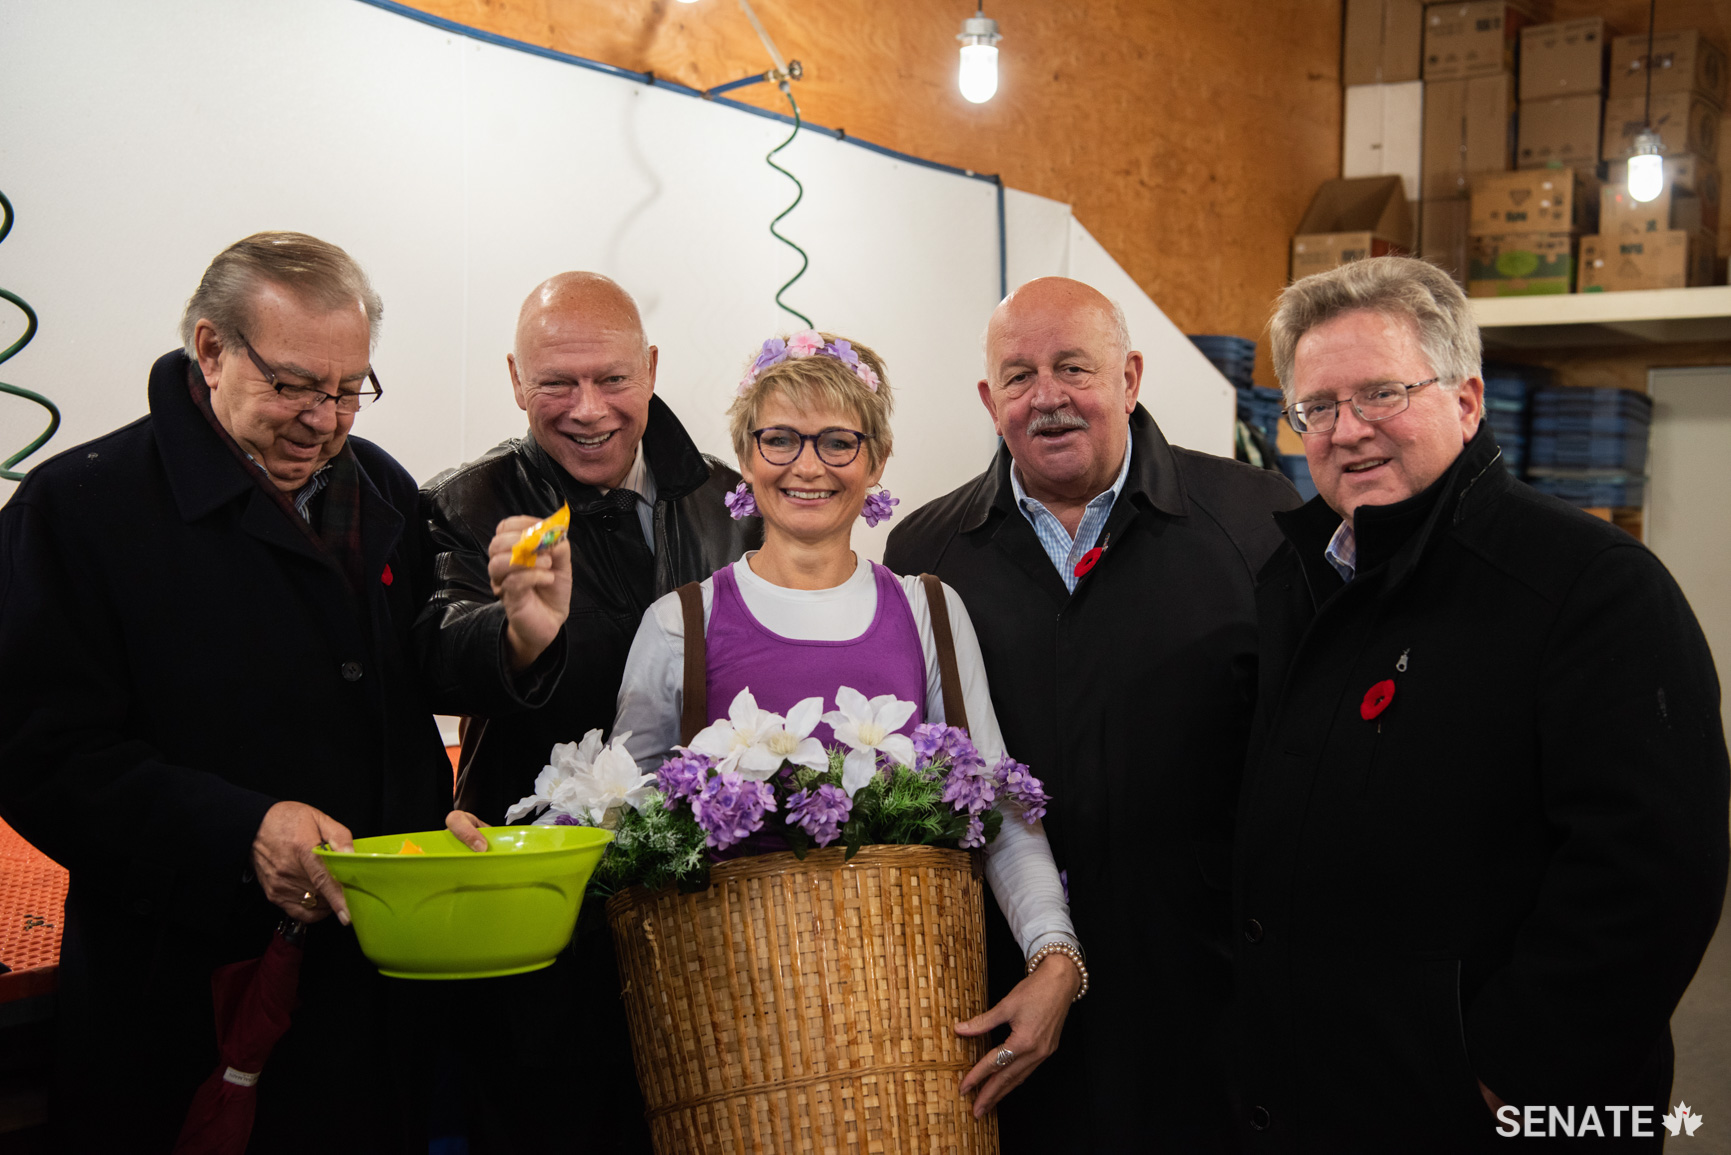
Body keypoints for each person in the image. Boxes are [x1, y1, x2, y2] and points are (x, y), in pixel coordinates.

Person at [0, 232, 570, 1153]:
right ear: (211, 349)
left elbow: (416, 665)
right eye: (295, 385)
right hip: (184, 988)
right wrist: (244, 829)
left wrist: (515, 636)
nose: (323, 420)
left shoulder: (377, 486)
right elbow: (40, 756)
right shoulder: (80, 509)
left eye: (348, 389)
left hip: (370, 982)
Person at [451, 329, 1088, 1114]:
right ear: (745, 457)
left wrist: (1055, 957)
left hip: (907, 1026)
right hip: (732, 1040)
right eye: (779, 438)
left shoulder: (928, 610)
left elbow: (998, 805)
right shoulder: (679, 623)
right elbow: (612, 814)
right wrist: (506, 855)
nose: (806, 466)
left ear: (876, 459)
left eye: (837, 441)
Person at [1233, 256, 1729, 1151]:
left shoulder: (1589, 586)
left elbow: (1652, 873)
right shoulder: (1296, 580)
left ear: (1465, 402)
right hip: (1332, 1093)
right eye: (1318, 408)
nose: (1347, 429)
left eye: (1380, 393)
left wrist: (1509, 1071)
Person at [883, 276, 1301, 1151]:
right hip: (1008, 997)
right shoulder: (925, 552)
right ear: (988, 398)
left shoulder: (1257, 521)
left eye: (1073, 367)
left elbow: (1305, 760)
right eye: (1019, 375)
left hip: (1206, 994)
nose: (1047, 396)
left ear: (1129, 377)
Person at [416, 271, 756, 1152]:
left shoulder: (732, 502)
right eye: (556, 383)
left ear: (651, 368)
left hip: (700, 900)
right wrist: (518, 635)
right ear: (513, 379)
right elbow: (430, 658)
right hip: (535, 906)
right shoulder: (466, 502)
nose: (588, 409)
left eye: (611, 379)